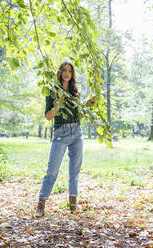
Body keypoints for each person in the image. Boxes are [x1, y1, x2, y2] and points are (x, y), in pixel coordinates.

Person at [35, 62, 95, 217]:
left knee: (75, 172)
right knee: (52, 171)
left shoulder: (75, 92)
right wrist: (57, 105)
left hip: (76, 132)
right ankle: (41, 204)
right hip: (60, 134)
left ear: (72, 74)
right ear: (60, 73)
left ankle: (73, 206)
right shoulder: (53, 91)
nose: (67, 73)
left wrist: (88, 104)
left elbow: (78, 115)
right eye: (64, 71)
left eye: (70, 71)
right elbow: (48, 116)